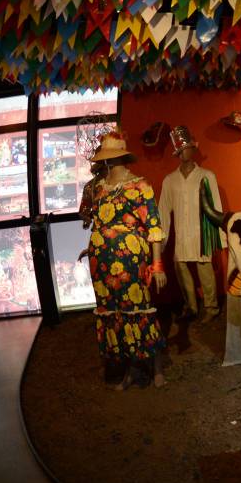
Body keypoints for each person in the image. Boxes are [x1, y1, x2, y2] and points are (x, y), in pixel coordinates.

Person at [87, 131, 168, 390]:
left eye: (112, 156)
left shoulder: (140, 186)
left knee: (139, 310)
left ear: (121, 156)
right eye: (106, 156)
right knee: (115, 314)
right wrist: (91, 248)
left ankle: (156, 367)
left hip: (131, 260)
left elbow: (154, 226)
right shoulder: (99, 187)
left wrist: (157, 266)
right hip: (101, 262)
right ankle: (129, 370)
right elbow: (99, 225)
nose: (109, 160)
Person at [158, 126, 225, 323]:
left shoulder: (207, 176)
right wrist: (161, 242)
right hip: (181, 234)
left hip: (201, 233)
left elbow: (216, 207)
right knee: (181, 270)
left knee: (205, 270)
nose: (183, 153)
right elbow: (163, 211)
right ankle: (191, 306)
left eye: (186, 148)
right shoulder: (170, 180)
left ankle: (211, 307)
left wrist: (219, 238)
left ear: (193, 149)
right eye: (180, 150)